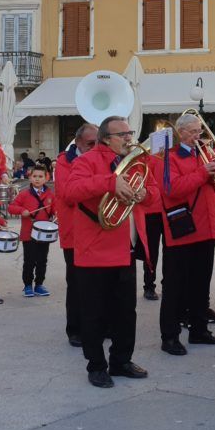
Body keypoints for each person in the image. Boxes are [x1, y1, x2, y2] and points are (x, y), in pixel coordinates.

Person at [61, 115, 151, 388]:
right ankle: (96, 366)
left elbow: (156, 193)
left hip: (125, 248)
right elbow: (70, 192)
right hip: (94, 250)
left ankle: (121, 361)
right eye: (122, 134)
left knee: (126, 311)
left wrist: (145, 193)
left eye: (130, 132)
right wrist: (109, 183)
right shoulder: (86, 161)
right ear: (105, 139)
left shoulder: (137, 162)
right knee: (93, 313)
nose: (128, 138)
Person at [160, 112, 215, 356]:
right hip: (183, 229)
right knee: (175, 287)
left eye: (200, 131)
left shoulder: (206, 154)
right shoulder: (170, 156)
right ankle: (170, 336)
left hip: (205, 229)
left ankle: (199, 330)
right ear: (181, 133)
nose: (199, 136)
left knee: (201, 284)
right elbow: (171, 188)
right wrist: (202, 173)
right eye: (194, 132)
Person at [55, 123, 97, 348]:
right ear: (78, 142)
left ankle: (98, 324)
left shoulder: (101, 157)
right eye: (90, 143)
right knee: (76, 283)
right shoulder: (64, 161)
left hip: (96, 229)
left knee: (98, 282)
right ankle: (75, 329)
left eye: (98, 142)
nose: (95, 147)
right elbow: (68, 194)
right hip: (74, 231)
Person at [9, 166, 54, 297]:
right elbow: (11, 207)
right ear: (30, 178)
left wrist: (56, 216)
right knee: (29, 261)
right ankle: (28, 285)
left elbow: (56, 209)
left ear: (46, 178)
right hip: (29, 234)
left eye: (41, 177)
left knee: (42, 260)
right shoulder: (24, 194)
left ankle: (39, 284)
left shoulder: (50, 194)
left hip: (44, 235)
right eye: (35, 176)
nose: (37, 179)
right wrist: (21, 211)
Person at [133, 145, 165, 302]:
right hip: (152, 210)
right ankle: (149, 285)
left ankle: (168, 283)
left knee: (171, 252)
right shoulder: (147, 159)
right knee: (151, 251)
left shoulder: (172, 157)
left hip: (170, 208)